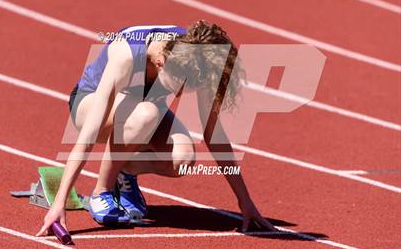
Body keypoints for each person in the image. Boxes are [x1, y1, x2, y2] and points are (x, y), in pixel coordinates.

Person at [36, 20, 276, 236]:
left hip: (144, 111)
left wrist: (244, 200)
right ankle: (102, 193)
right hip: (88, 105)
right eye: (179, 87)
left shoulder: (194, 57)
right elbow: (88, 134)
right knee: (147, 113)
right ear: (161, 63)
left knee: (183, 157)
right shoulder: (126, 56)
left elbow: (213, 133)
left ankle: (124, 170)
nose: (180, 94)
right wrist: (59, 202)